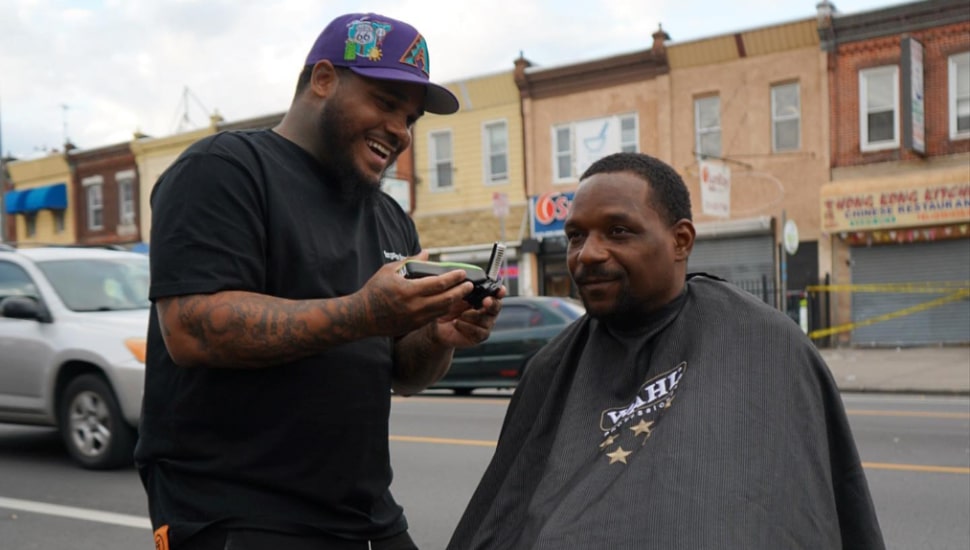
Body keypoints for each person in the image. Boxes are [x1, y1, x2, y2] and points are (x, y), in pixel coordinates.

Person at [135, 12, 504, 550]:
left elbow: (404, 373)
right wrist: (363, 312)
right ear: (324, 80)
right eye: (384, 103)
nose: (400, 132)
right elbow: (192, 330)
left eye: (411, 118)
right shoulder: (225, 169)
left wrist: (439, 333)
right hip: (237, 514)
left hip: (367, 515)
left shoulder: (390, 216)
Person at [448, 152, 885, 549]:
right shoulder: (550, 368)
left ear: (681, 240)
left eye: (618, 231)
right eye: (576, 236)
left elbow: (800, 512)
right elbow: (503, 518)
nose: (588, 254)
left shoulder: (765, 347)